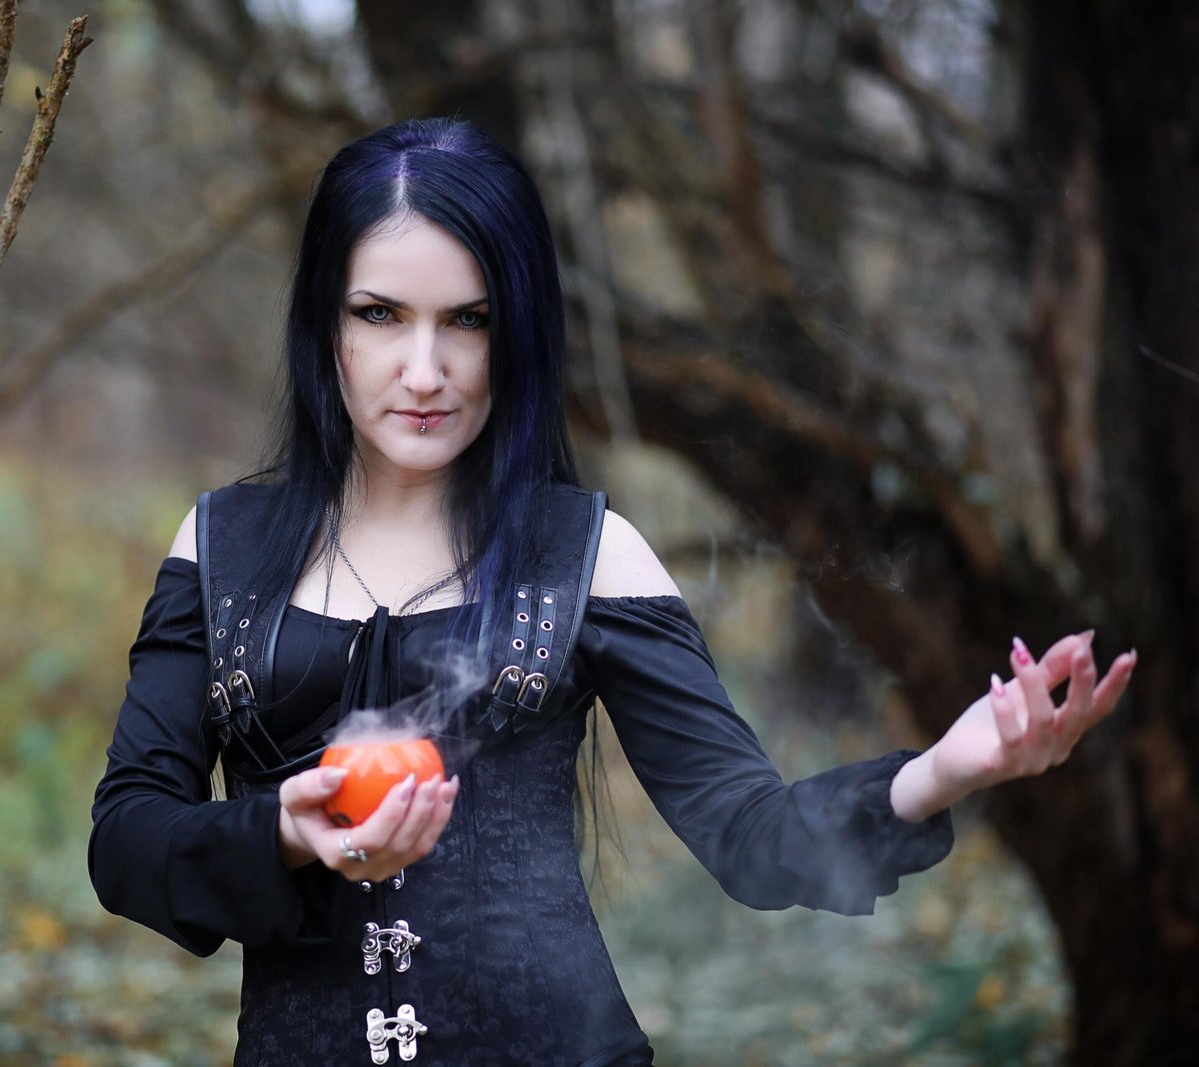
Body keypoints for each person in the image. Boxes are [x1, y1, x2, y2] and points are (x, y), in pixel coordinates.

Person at [87, 118, 1135, 1066]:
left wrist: (952, 765)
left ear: (520, 332)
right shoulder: (226, 546)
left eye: (468, 319)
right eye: (379, 313)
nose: (423, 368)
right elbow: (126, 841)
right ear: (326, 325)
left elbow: (754, 838)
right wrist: (278, 829)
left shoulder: (586, 555)